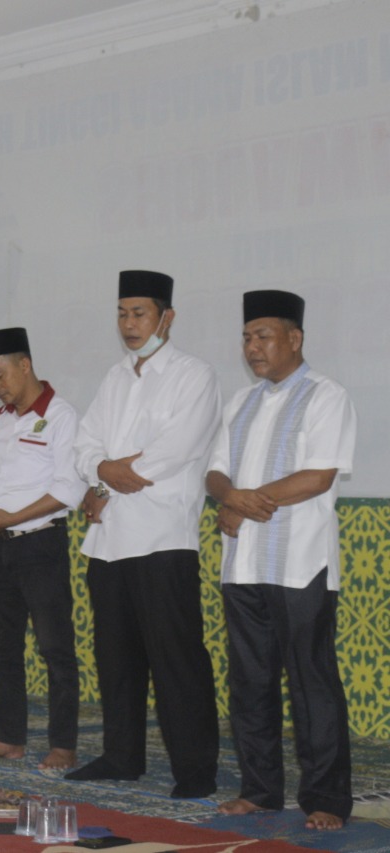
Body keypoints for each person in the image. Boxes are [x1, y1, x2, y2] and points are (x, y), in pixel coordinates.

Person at [206, 290, 356, 830]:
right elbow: (214, 473)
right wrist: (229, 496)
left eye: (263, 336)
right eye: (247, 337)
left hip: (300, 564)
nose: (252, 347)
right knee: (250, 682)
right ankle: (260, 790)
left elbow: (318, 476)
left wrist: (243, 501)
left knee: (312, 683)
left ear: (295, 339)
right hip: (243, 564)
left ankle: (326, 798)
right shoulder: (240, 403)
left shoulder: (326, 395)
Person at [68, 271, 221, 798]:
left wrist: (109, 471)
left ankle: (195, 770)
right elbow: (84, 445)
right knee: (116, 658)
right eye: (122, 313)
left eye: (139, 313)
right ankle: (121, 756)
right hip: (109, 539)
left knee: (175, 658)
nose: (129, 323)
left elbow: (175, 451)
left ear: (166, 317)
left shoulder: (193, 375)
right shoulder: (115, 377)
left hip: (162, 539)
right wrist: (103, 471)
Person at [0, 327, 81, 771]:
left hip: (40, 545)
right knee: (2, 648)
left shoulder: (60, 416)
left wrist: (11, 518)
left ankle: (63, 744)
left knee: (55, 648)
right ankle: (9, 737)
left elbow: (68, 488)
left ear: (25, 365)